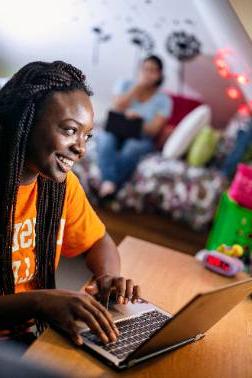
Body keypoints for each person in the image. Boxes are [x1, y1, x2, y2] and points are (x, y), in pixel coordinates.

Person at [0, 61, 140, 349]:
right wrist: (39, 301)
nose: (81, 148)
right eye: (69, 130)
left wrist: (108, 277)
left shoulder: (60, 187)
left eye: (86, 135)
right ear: (25, 120)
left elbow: (98, 241)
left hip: (32, 334)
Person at [96, 55, 173, 198]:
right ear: (140, 70)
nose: (148, 74)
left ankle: (109, 184)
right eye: (145, 69)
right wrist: (137, 87)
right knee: (105, 140)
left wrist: (139, 121)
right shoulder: (124, 84)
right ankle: (111, 184)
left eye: (153, 71)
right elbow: (117, 107)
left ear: (159, 75)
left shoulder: (165, 100)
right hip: (116, 129)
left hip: (141, 137)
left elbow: (154, 130)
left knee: (132, 148)